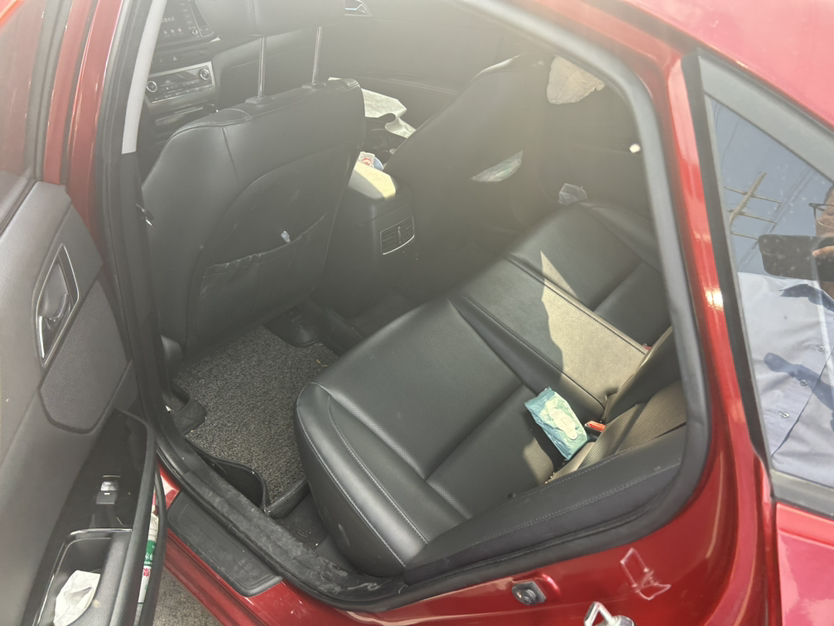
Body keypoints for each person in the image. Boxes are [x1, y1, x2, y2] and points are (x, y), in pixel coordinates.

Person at [736, 185, 834, 489]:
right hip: (698, 474)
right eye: (832, 212)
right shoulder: (739, 293)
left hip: (810, 511)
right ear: (819, 221)